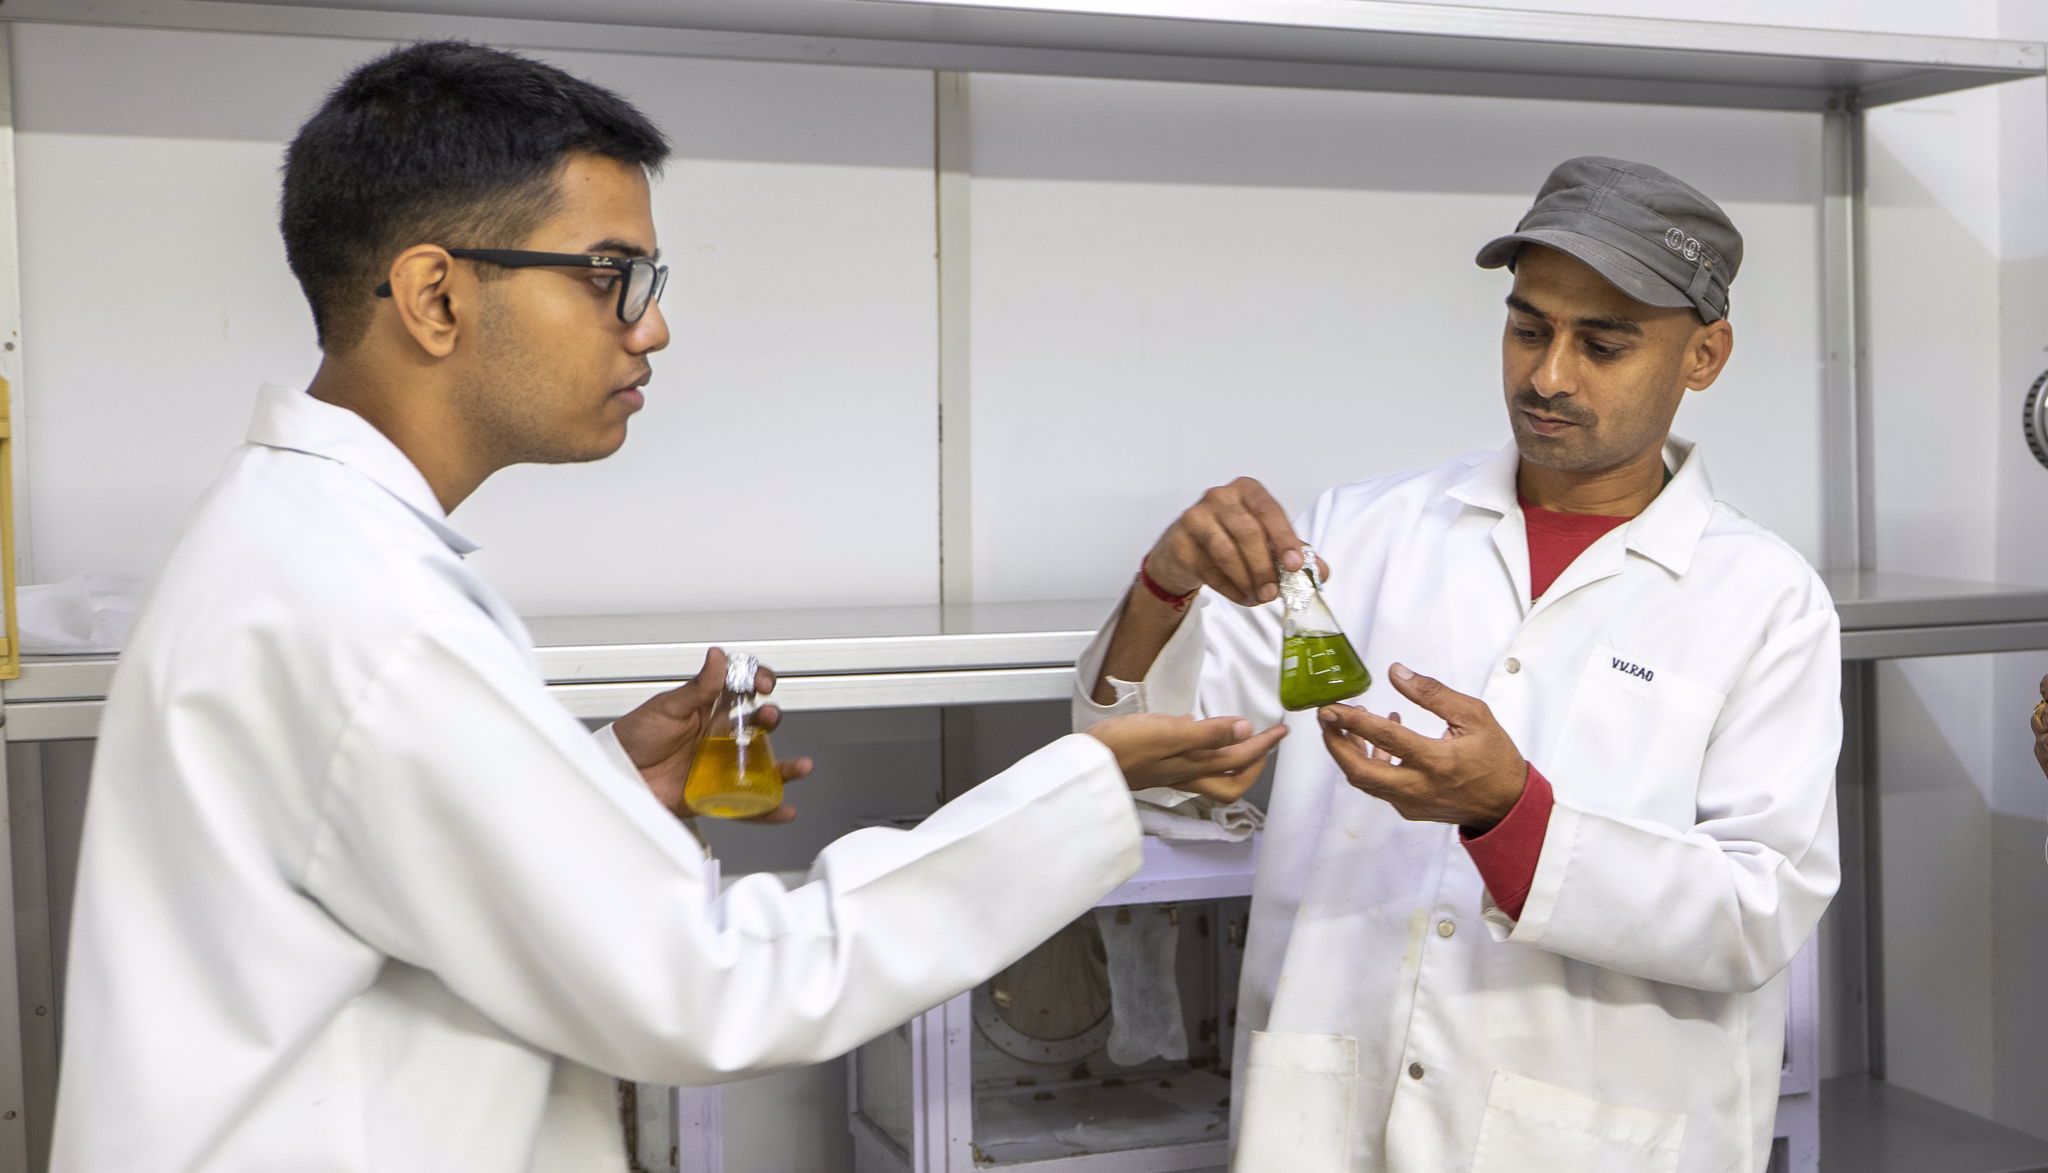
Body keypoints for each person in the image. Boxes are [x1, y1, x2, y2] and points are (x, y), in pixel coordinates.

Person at [49, 41, 1283, 1172]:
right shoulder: (361, 606)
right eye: (608, 275)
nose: (653, 325)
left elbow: (365, 859)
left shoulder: (301, 541)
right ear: (433, 298)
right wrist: (1080, 788)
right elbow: (712, 989)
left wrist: (578, 788)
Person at [1075, 157, 1840, 1172]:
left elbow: (1755, 915)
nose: (1547, 376)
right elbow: (1163, 766)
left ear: (1703, 356)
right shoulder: (1365, 532)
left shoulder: (1761, 599)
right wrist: (1162, 593)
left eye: (1600, 344)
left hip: (1597, 1137)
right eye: (1528, 328)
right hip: (1329, 1117)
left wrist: (1510, 815)